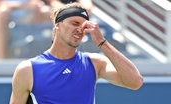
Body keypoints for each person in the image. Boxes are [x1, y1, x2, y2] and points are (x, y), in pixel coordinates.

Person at [10, 2, 143, 104]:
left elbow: (135, 82)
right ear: (58, 24)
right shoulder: (27, 69)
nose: (80, 29)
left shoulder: (95, 63)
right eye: (75, 23)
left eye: (84, 26)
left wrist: (102, 43)